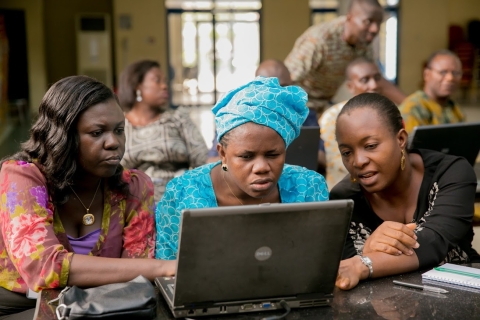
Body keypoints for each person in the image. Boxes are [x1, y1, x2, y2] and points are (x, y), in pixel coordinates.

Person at [0, 76, 175, 318]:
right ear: (62, 136)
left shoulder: (134, 186)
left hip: (99, 307)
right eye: (97, 132)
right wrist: (162, 268)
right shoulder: (23, 177)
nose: (114, 143)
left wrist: (149, 270)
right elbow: (43, 266)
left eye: (119, 130)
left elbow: (136, 276)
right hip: (20, 305)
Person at [156, 77, 329, 260]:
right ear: (223, 154)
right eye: (246, 157)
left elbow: (321, 259)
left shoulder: (308, 188)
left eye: (273, 155)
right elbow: (169, 271)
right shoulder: (182, 194)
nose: (261, 167)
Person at [330, 92, 479, 291]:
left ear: (400, 139)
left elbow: (433, 243)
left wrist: (364, 262)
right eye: (347, 152)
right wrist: (366, 253)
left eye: (370, 146)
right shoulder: (344, 200)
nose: (358, 161)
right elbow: (346, 274)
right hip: (384, 306)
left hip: (463, 294)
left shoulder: (450, 173)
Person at [284, 0, 405, 116]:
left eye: (379, 23)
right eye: (368, 21)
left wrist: (411, 106)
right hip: (299, 107)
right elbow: (285, 80)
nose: (375, 29)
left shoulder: (363, 42)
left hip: (325, 105)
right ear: (350, 17)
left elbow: (376, 80)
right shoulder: (319, 41)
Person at [207, 59, 326, 172]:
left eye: (283, 87)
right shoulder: (234, 116)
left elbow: (323, 159)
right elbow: (211, 161)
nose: (277, 94)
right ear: (256, 86)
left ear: (292, 84)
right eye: (269, 88)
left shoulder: (303, 113)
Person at [118, 60, 208, 202]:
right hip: (133, 203)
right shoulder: (119, 125)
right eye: (157, 81)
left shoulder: (177, 118)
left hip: (180, 199)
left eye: (165, 81)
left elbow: (203, 160)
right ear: (137, 87)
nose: (165, 86)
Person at [320, 57, 383, 189]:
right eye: (365, 80)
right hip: (346, 191)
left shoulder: (386, 113)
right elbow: (338, 162)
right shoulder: (333, 117)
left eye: (377, 78)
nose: (374, 85)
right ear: (350, 86)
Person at [399, 50, 465, 133]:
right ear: (426, 74)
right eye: (443, 72)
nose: (450, 78)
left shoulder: (454, 109)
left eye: (455, 73)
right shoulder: (413, 109)